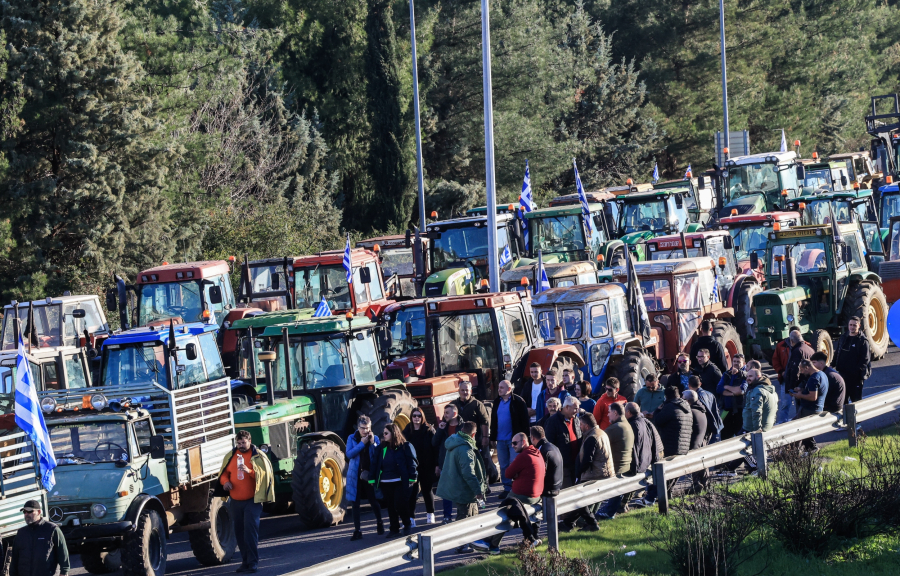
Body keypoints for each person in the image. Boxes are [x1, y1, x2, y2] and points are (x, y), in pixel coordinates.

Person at [472, 432, 545, 554]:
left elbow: (507, 474)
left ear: (523, 442)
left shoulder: (524, 456)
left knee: (502, 512)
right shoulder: (537, 453)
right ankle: (495, 544)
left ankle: (493, 544)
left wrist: (516, 475)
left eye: (515, 443)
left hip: (523, 496)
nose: (513, 446)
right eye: (512, 443)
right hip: (536, 496)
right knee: (509, 509)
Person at [217, 430, 275, 573]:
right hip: (235, 502)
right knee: (239, 533)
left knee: (250, 532)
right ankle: (245, 562)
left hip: (252, 501)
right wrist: (225, 483)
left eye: (243, 442)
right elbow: (223, 474)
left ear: (249, 441)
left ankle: (253, 562)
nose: (241, 445)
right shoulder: (231, 456)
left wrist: (249, 471)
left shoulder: (257, 456)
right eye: (239, 443)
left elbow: (264, 477)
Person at [436, 421, 488, 553]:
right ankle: (462, 545)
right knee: (466, 516)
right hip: (465, 490)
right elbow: (469, 473)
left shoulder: (454, 440)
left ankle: (466, 543)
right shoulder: (465, 448)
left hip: (457, 486)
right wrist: (478, 491)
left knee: (464, 515)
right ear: (474, 434)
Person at [560, 413, 612, 531]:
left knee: (580, 500)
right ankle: (568, 523)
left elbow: (587, 460)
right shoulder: (601, 433)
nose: (580, 427)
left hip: (594, 474)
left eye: (581, 424)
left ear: (587, 425)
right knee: (581, 501)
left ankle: (591, 523)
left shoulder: (591, 437)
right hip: (602, 472)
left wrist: (579, 474)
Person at [370, 423, 417, 537]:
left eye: (386, 433)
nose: (384, 435)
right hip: (385, 482)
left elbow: (412, 462)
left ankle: (407, 524)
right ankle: (394, 528)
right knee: (390, 506)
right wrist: (372, 480)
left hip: (400, 481)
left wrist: (412, 477)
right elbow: (375, 464)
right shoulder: (381, 448)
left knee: (400, 504)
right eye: (383, 433)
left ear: (393, 433)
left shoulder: (405, 446)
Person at [490, 380, 531, 499]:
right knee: (503, 465)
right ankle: (507, 488)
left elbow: (524, 421)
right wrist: (493, 437)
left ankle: (516, 488)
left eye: (502, 388)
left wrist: (525, 438)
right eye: (498, 388)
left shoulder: (518, 401)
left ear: (509, 389)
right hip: (500, 439)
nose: (499, 390)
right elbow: (493, 420)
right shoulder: (497, 402)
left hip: (515, 440)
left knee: (514, 464)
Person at [347, 415, 385, 540]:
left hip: (369, 475)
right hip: (355, 475)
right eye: (363, 428)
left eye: (368, 428)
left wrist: (373, 443)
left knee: (373, 500)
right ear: (358, 427)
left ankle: (380, 523)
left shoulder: (375, 438)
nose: (365, 431)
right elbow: (349, 454)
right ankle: (357, 530)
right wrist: (362, 444)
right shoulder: (352, 438)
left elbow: (378, 455)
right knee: (355, 503)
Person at [451, 381, 496, 484]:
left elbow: (485, 422)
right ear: (459, 391)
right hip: (460, 441)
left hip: (477, 440)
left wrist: (485, 437)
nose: (465, 392)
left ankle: (485, 484)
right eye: (462, 390)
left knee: (481, 462)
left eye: (467, 390)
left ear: (471, 391)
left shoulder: (477, 404)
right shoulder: (453, 404)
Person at [595, 403, 634, 520]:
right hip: (625, 464)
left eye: (609, 412)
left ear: (615, 413)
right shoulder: (626, 424)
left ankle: (608, 512)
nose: (607, 415)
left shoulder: (615, 428)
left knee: (613, 490)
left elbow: (598, 442)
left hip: (617, 465)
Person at [10, 500, 69, 576]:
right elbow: (15, 559)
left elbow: (63, 553)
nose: (26, 514)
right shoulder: (21, 533)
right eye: (24, 512)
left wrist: (64, 572)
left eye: (30, 511)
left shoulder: (52, 529)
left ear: (39, 512)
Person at [625, 402, 665, 507]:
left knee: (647, 476)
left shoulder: (635, 424)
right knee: (651, 477)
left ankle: (648, 499)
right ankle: (648, 498)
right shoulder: (644, 420)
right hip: (657, 449)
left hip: (655, 451)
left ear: (628, 412)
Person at [404, 408, 437, 526]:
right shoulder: (407, 430)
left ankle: (430, 514)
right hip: (413, 467)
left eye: (419, 416)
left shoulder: (429, 430)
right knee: (412, 493)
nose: (416, 418)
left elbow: (435, 449)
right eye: (414, 416)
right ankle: (411, 518)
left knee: (427, 490)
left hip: (427, 465)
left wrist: (436, 465)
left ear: (422, 417)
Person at [790, 359, 829, 453]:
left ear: (807, 367)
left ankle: (796, 451)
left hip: (809, 409)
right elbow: (815, 391)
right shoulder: (822, 374)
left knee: (795, 428)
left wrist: (800, 395)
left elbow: (813, 397)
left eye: (802, 370)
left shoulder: (813, 378)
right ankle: (809, 448)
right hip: (816, 408)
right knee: (803, 429)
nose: (801, 372)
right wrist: (802, 389)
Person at [433, 404, 464, 523]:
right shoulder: (443, 427)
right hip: (445, 462)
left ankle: (462, 515)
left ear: (454, 414)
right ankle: (447, 516)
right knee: (446, 491)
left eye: (447, 412)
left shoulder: (462, 426)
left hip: (459, 463)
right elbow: (435, 443)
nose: (444, 415)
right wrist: (439, 430)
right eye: (444, 412)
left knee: (460, 489)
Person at [544, 396, 583, 487]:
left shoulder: (576, 420)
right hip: (563, 464)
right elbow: (549, 444)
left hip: (576, 462)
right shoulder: (553, 421)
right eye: (575, 409)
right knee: (567, 490)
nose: (577, 411)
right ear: (566, 407)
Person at [831, 316, 871, 403]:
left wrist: (856, 372)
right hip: (842, 375)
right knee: (842, 401)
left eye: (854, 325)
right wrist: (832, 364)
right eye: (850, 325)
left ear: (859, 326)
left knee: (856, 402)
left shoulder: (863, 341)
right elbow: (837, 352)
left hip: (855, 378)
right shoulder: (843, 337)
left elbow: (865, 360)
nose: (852, 327)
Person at [781, 329, 813, 424]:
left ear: (791, 341)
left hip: (800, 386)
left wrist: (791, 388)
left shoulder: (797, 351)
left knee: (800, 412)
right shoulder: (809, 349)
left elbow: (795, 371)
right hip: (809, 383)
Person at [653, 386, 693, 458]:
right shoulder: (686, 406)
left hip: (671, 447)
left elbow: (657, 421)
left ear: (666, 396)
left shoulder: (670, 406)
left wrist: (657, 410)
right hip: (684, 447)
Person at [716, 354, 748, 441]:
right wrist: (734, 393)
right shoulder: (726, 374)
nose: (736, 363)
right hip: (726, 410)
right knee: (725, 437)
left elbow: (741, 391)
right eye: (734, 361)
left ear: (743, 363)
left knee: (740, 437)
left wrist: (726, 387)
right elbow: (719, 389)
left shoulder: (745, 375)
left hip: (740, 410)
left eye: (738, 362)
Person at [531, 425, 563, 500]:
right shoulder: (553, 447)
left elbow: (540, 473)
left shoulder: (542, 450)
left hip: (548, 490)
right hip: (558, 486)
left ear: (532, 438)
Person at [742, 368, 778, 433]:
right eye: (747, 376)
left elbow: (756, 412)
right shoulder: (769, 389)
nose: (747, 379)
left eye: (750, 376)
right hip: (767, 427)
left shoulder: (757, 391)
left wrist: (757, 430)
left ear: (758, 377)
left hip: (751, 429)